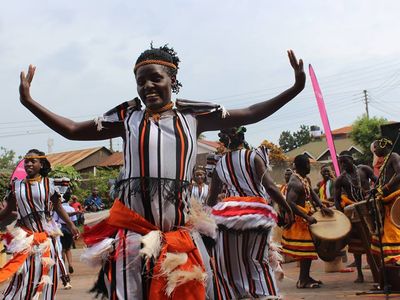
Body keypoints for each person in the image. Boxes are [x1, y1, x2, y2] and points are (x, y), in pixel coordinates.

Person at [19, 44, 305, 299]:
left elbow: (253, 112)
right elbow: (70, 130)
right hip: (132, 238)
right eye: (140, 82)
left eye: (156, 78)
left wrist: (294, 89)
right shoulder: (126, 118)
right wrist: (29, 102)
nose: (148, 87)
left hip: (178, 236)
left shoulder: (193, 117)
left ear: (173, 79)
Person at [208, 127, 294, 299]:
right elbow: (270, 186)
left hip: (226, 217)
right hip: (255, 214)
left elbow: (211, 198)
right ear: (242, 137)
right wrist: (287, 208)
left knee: (226, 266)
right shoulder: (253, 156)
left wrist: (203, 221)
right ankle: (265, 295)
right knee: (257, 262)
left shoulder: (220, 163)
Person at [0, 149, 79, 299]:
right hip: (25, 238)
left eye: (33, 161)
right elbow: (8, 210)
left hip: (47, 238)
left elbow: (58, 207)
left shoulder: (49, 184)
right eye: (26, 160)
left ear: (41, 164)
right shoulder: (16, 186)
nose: (28, 163)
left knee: (48, 275)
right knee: (23, 276)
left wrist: (71, 225)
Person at [281, 154, 333, 289]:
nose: (310, 166)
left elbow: (312, 193)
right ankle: (302, 280)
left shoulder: (304, 179)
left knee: (309, 252)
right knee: (306, 251)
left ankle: (306, 277)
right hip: (300, 221)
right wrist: (307, 217)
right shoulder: (295, 182)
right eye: (308, 164)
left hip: (306, 218)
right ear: (303, 166)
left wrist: (321, 206)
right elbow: (290, 203)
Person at [333, 151, 376, 283]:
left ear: (351, 159)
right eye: (341, 162)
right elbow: (336, 199)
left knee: (373, 241)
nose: (343, 164)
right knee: (357, 245)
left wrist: (373, 193)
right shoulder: (341, 179)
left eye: (345, 161)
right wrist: (342, 217)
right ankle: (360, 274)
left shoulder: (364, 169)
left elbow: (377, 181)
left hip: (370, 210)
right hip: (354, 214)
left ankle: (377, 270)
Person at [371, 138, 400, 265]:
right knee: (382, 235)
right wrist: (376, 190)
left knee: (392, 232)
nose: (375, 150)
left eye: (376, 147)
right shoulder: (385, 160)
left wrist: (386, 187)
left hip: (395, 199)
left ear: (384, 145)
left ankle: (396, 259)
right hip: (387, 201)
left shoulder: (394, 156)